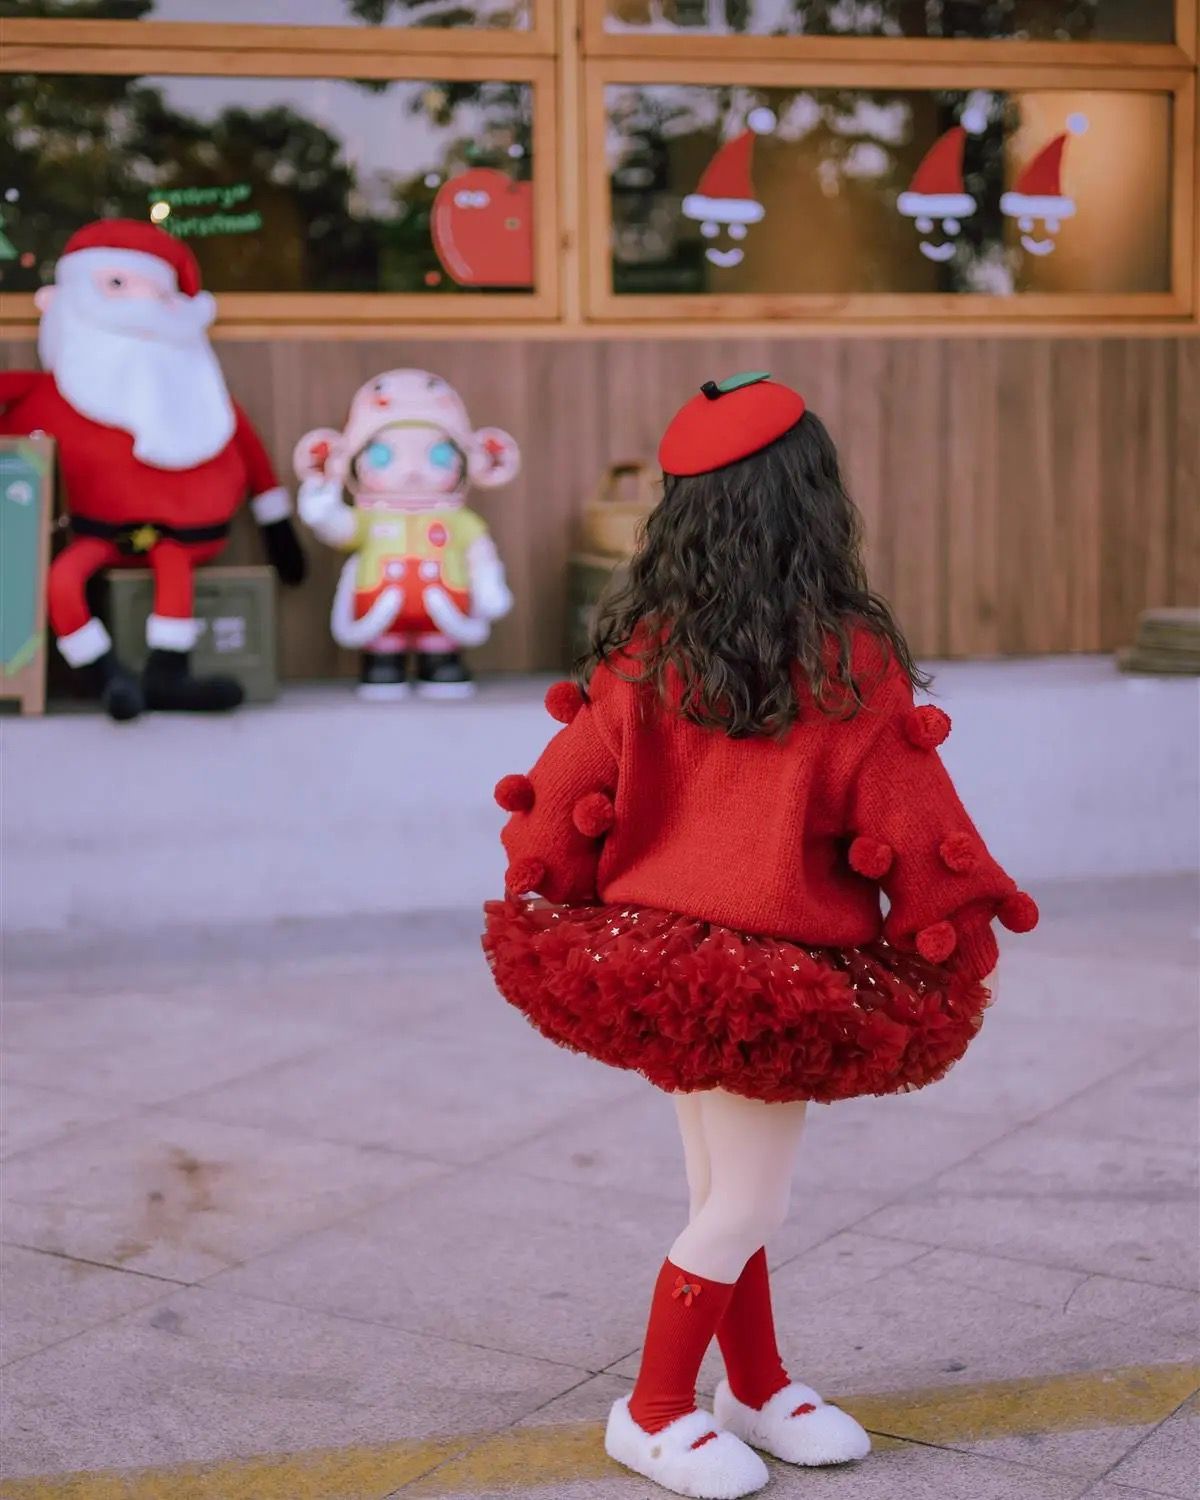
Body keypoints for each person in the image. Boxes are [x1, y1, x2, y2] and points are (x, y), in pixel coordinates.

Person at [484, 372, 1038, 1499]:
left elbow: (559, 794)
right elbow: (915, 818)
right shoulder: (846, 664)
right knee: (749, 1202)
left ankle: (758, 1384)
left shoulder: (648, 647)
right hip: (769, 976)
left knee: (722, 1192)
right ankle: (649, 1411)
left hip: (656, 958)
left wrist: (560, 889)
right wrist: (951, 925)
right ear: (815, 506)